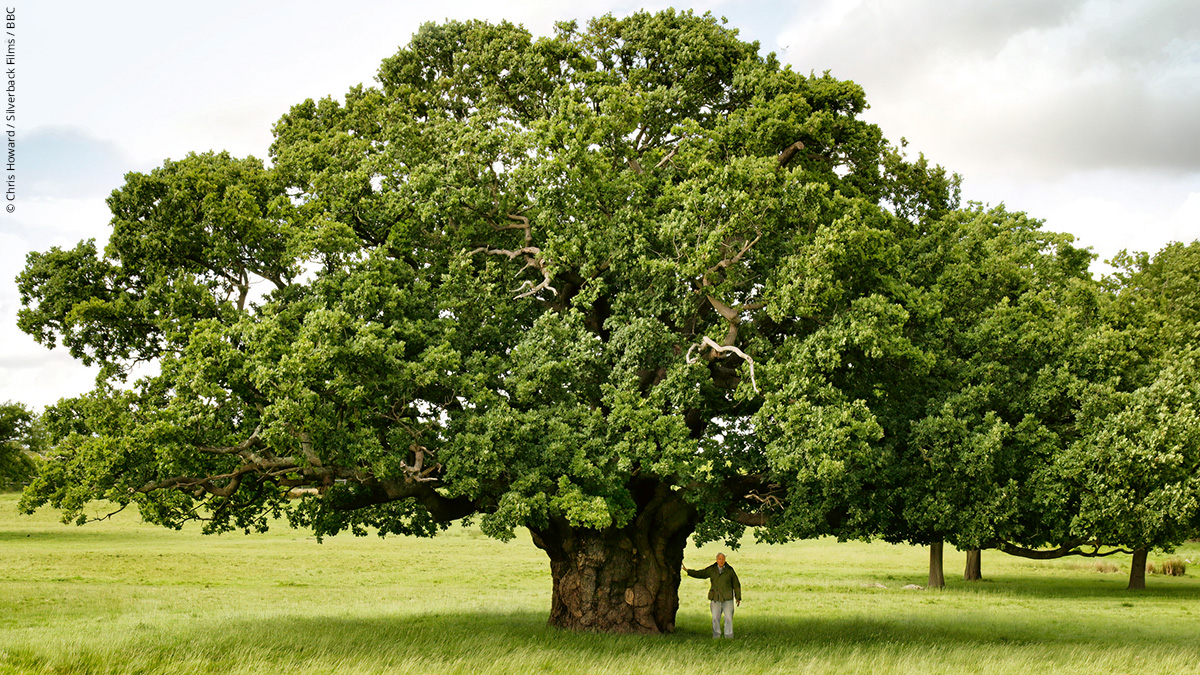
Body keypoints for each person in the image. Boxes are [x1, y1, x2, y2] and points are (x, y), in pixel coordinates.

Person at [682, 553, 742, 638]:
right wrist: (688, 571)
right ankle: (716, 636)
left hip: (727, 598)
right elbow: (701, 574)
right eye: (720, 559)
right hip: (715, 598)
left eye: (723, 559)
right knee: (715, 619)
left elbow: (736, 584)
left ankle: (729, 636)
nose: (721, 561)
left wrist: (738, 597)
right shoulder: (712, 569)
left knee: (728, 618)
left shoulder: (730, 570)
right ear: (717, 560)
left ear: (725, 560)